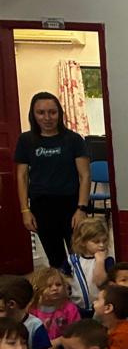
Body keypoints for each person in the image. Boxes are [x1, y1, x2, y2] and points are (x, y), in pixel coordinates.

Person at [13, 92, 90, 271]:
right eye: (41, 113)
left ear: (59, 113)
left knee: (81, 257)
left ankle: (82, 287)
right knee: (55, 259)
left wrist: (81, 209)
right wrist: (25, 210)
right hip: (42, 206)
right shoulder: (26, 140)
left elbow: (85, 175)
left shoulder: (73, 140)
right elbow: (22, 176)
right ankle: (62, 288)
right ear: (33, 115)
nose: (47, 118)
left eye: (52, 112)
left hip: (71, 205)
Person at [66, 216, 111, 315]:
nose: (102, 245)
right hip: (77, 308)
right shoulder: (72, 261)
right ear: (83, 242)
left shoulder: (107, 260)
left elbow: (100, 282)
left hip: (100, 309)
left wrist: (99, 262)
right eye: (96, 242)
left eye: (104, 241)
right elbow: (64, 282)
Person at [31, 266, 80, 342]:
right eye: (49, 286)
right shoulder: (32, 310)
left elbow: (77, 332)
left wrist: (58, 342)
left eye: (58, 284)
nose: (55, 288)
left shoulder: (70, 308)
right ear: (38, 289)